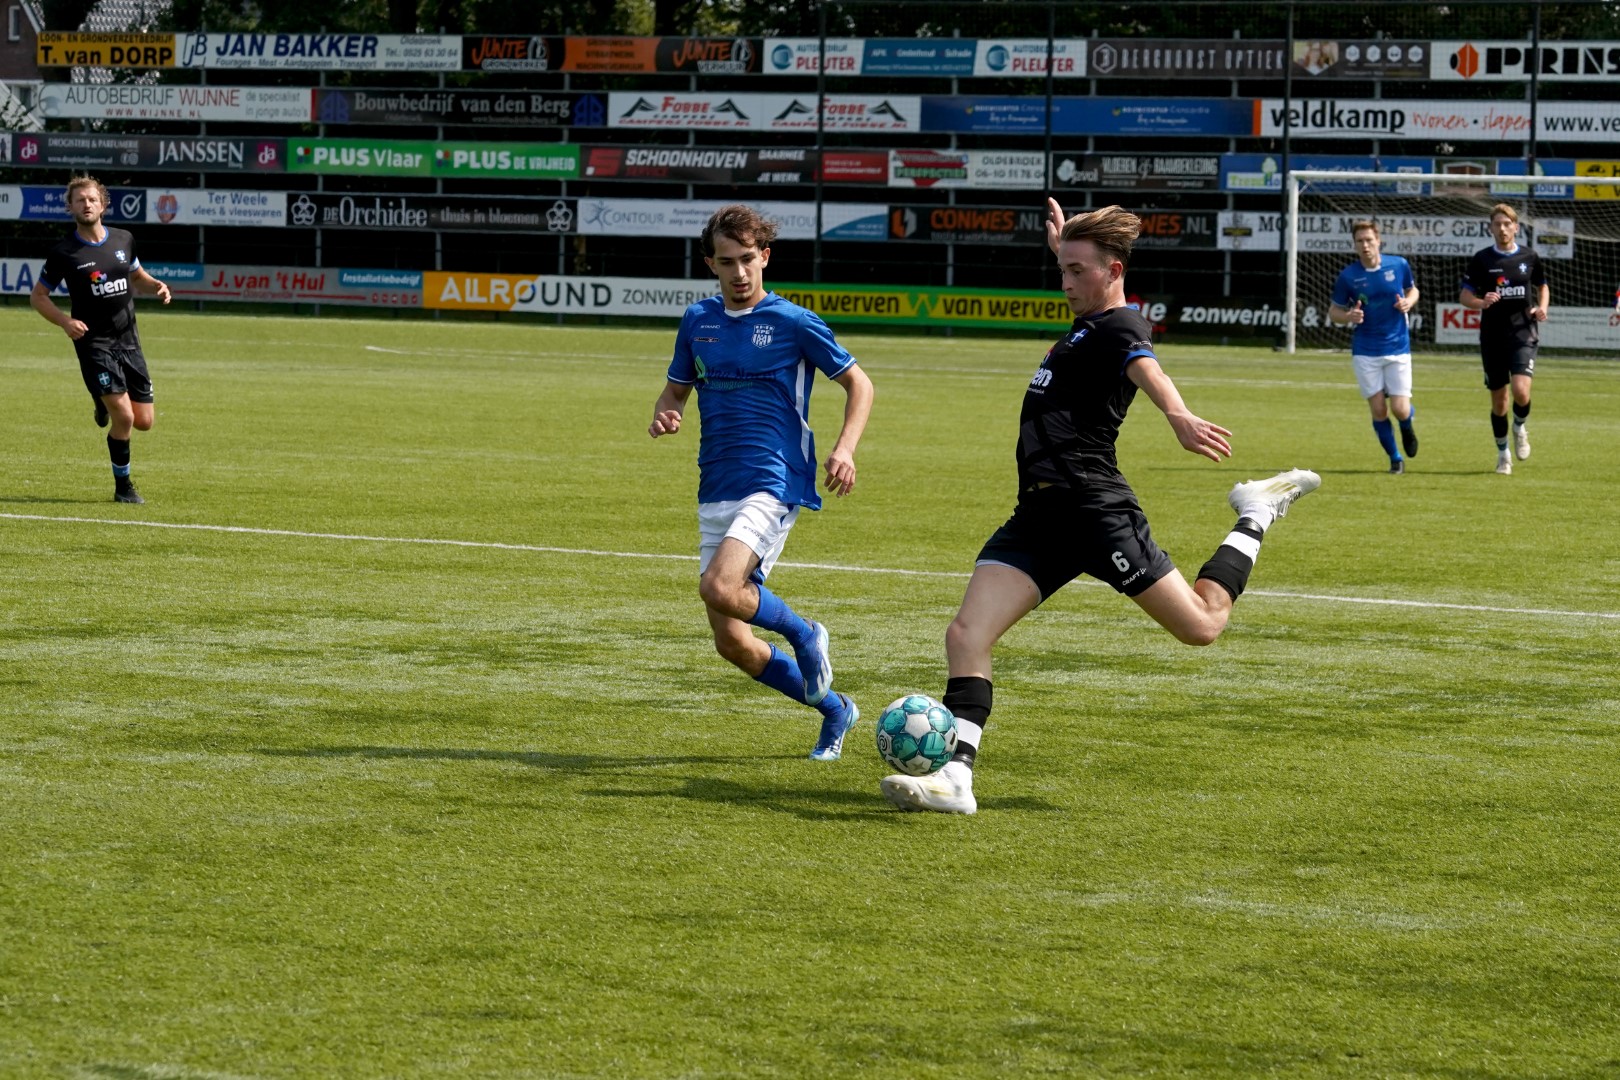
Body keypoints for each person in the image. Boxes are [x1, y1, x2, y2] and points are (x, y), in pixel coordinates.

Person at [880, 200, 1319, 815]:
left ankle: (1255, 513)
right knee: (966, 634)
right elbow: (1087, 282)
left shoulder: (1119, 325)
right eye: (1061, 270)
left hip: (1094, 512)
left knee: (1201, 626)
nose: (1064, 283)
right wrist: (1068, 247)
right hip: (1038, 518)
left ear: (1114, 271)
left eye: (1077, 271)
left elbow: (1145, 366)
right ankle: (956, 778)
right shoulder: (1086, 324)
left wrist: (1177, 414)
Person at [649, 204, 874, 760]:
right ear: (711, 264)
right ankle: (835, 710)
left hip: (774, 479)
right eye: (727, 262)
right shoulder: (698, 321)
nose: (740, 272)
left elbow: (859, 384)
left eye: (748, 259)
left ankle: (804, 633)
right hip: (716, 485)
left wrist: (845, 448)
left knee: (718, 586)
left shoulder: (794, 322)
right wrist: (666, 412)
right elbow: (675, 389)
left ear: (765, 257)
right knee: (733, 643)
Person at [30, 175, 171, 504]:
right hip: (94, 344)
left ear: (103, 204)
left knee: (144, 422)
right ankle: (124, 488)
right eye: (80, 200)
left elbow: (137, 277)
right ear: (70, 207)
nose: (87, 204)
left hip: (129, 339)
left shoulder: (123, 239)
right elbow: (38, 297)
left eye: (92, 199)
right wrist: (65, 322)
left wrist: (156, 286)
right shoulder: (64, 252)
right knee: (125, 418)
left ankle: (100, 396)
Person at [1459, 203, 1548, 475]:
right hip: (1493, 336)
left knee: (1521, 391)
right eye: (1497, 224)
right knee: (1499, 402)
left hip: (1523, 332)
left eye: (1507, 224)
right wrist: (1481, 302)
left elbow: (1542, 285)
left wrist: (1542, 307)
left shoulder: (1529, 256)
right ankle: (1503, 454)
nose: (1502, 228)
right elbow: (1465, 296)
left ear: (1516, 227)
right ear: (1491, 228)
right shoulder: (1482, 259)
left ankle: (1519, 427)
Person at [1327, 220, 1421, 473]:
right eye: (1360, 241)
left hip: (1397, 347)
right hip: (1365, 350)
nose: (1365, 245)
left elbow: (1413, 291)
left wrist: (1408, 303)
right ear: (1355, 245)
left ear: (1378, 241)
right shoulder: (1348, 276)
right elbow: (1334, 311)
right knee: (1379, 410)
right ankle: (1395, 458)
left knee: (1400, 409)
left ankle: (1407, 425)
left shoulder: (1398, 265)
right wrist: (1348, 316)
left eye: (1369, 240)